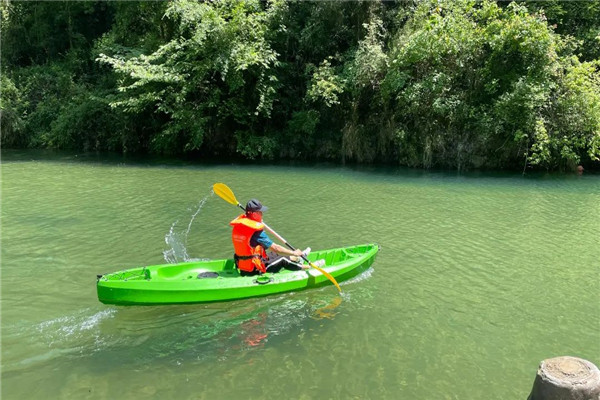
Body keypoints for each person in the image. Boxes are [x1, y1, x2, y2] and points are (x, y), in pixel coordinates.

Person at [230, 199, 309, 276]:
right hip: (255, 269)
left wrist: (256, 221)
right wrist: (294, 252)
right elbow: (276, 248)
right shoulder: (256, 232)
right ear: (254, 214)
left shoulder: (240, 226)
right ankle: (309, 267)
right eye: (260, 212)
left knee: (275, 254)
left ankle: (298, 258)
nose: (262, 214)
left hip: (242, 265)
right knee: (282, 259)